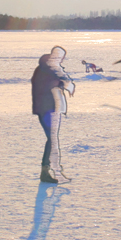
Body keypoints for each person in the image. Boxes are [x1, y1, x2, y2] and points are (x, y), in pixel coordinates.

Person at [31, 46, 75, 183]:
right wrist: (63, 84)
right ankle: (46, 171)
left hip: (45, 108)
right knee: (52, 140)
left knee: (52, 140)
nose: (61, 61)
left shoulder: (44, 69)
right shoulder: (49, 69)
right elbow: (49, 85)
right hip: (47, 109)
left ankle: (48, 170)